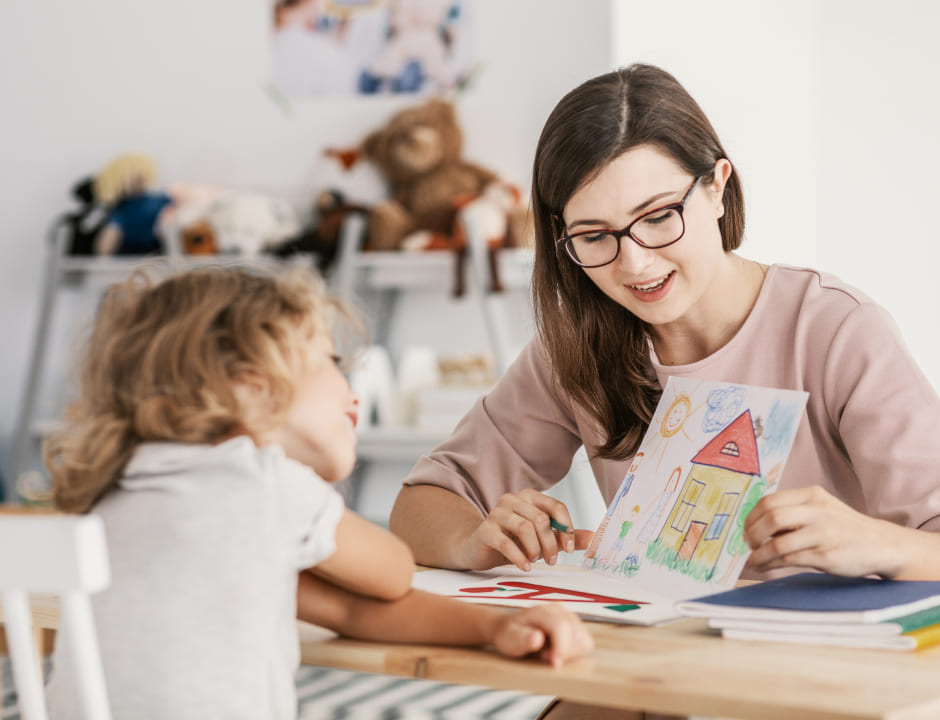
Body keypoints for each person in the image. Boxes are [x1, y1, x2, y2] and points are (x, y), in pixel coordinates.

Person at [390, 63, 940, 588]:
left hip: (825, 667)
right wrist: (473, 539)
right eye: (595, 235)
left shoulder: (836, 330)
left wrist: (875, 542)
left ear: (717, 186)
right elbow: (422, 505)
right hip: (657, 662)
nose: (635, 264)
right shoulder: (578, 348)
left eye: (657, 218)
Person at [42, 264, 592, 720]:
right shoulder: (264, 483)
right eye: (331, 362)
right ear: (249, 386)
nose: (350, 388)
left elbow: (345, 610)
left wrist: (497, 626)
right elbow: (391, 573)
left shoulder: (118, 492)